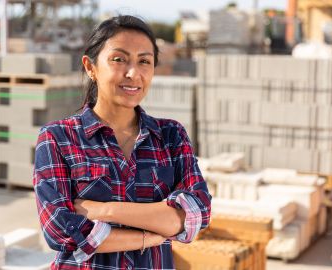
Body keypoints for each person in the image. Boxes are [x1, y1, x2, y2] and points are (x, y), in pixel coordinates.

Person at [33, 15, 211, 269]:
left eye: (144, 62)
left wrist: (104, 211)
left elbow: (196, 215)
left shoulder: (171, 136)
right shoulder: (58, 138)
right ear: (90, 67)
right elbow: (59, 230)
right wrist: (148, 236)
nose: (133, 73)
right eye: (119, 59)